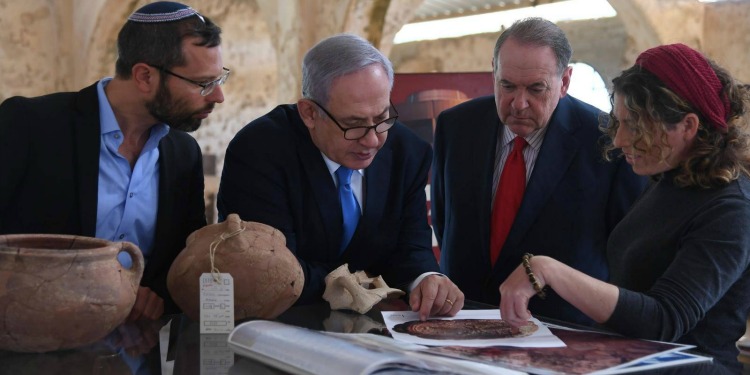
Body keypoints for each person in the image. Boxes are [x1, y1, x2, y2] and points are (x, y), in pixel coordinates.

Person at [499, 43, 750, 366]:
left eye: (635, 125)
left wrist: (548, 269)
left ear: (688, 126)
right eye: (620, 123)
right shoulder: (667, 179)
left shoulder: (731, 208)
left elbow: (665, 320)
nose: (619, 141)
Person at [0, 2, 227, 321]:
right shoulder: (31, 125)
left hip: (135, 353)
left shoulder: (183, 153)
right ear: (145, 76)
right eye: (203, 83)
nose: (218, 97)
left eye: (220, 79)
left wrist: (154, 296)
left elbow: (179, 261)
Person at [217, 33, 463, 320]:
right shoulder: (260, 151)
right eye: (353, 124)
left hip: (372, 332)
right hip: (281, 325)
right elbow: (275, 269)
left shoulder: (407, 152)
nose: (372, 140)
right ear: (309, 113)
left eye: (382, 117)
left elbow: (410, 246)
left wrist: (426, 278)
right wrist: (366, 279)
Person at [430, 17, 648, 325]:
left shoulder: (609, 142)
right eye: (507, 86)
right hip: (461, 320)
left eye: (536, 89)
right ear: (494, 71)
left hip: (561, 331)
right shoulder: (456, 127)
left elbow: (625, 255)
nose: (519, 103)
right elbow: (443, 220)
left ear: (565, 82)